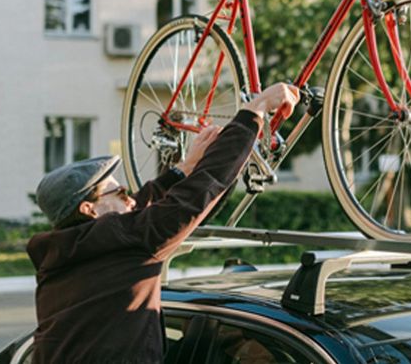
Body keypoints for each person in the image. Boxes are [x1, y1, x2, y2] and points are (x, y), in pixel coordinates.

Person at [26, 83, 300, 364]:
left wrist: (183, 169)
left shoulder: (60, 260)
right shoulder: (124, 239)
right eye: (119, 192)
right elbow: (198, 193)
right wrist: (254, 111)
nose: (130, 198)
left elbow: (138, 210)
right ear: (89, 209)